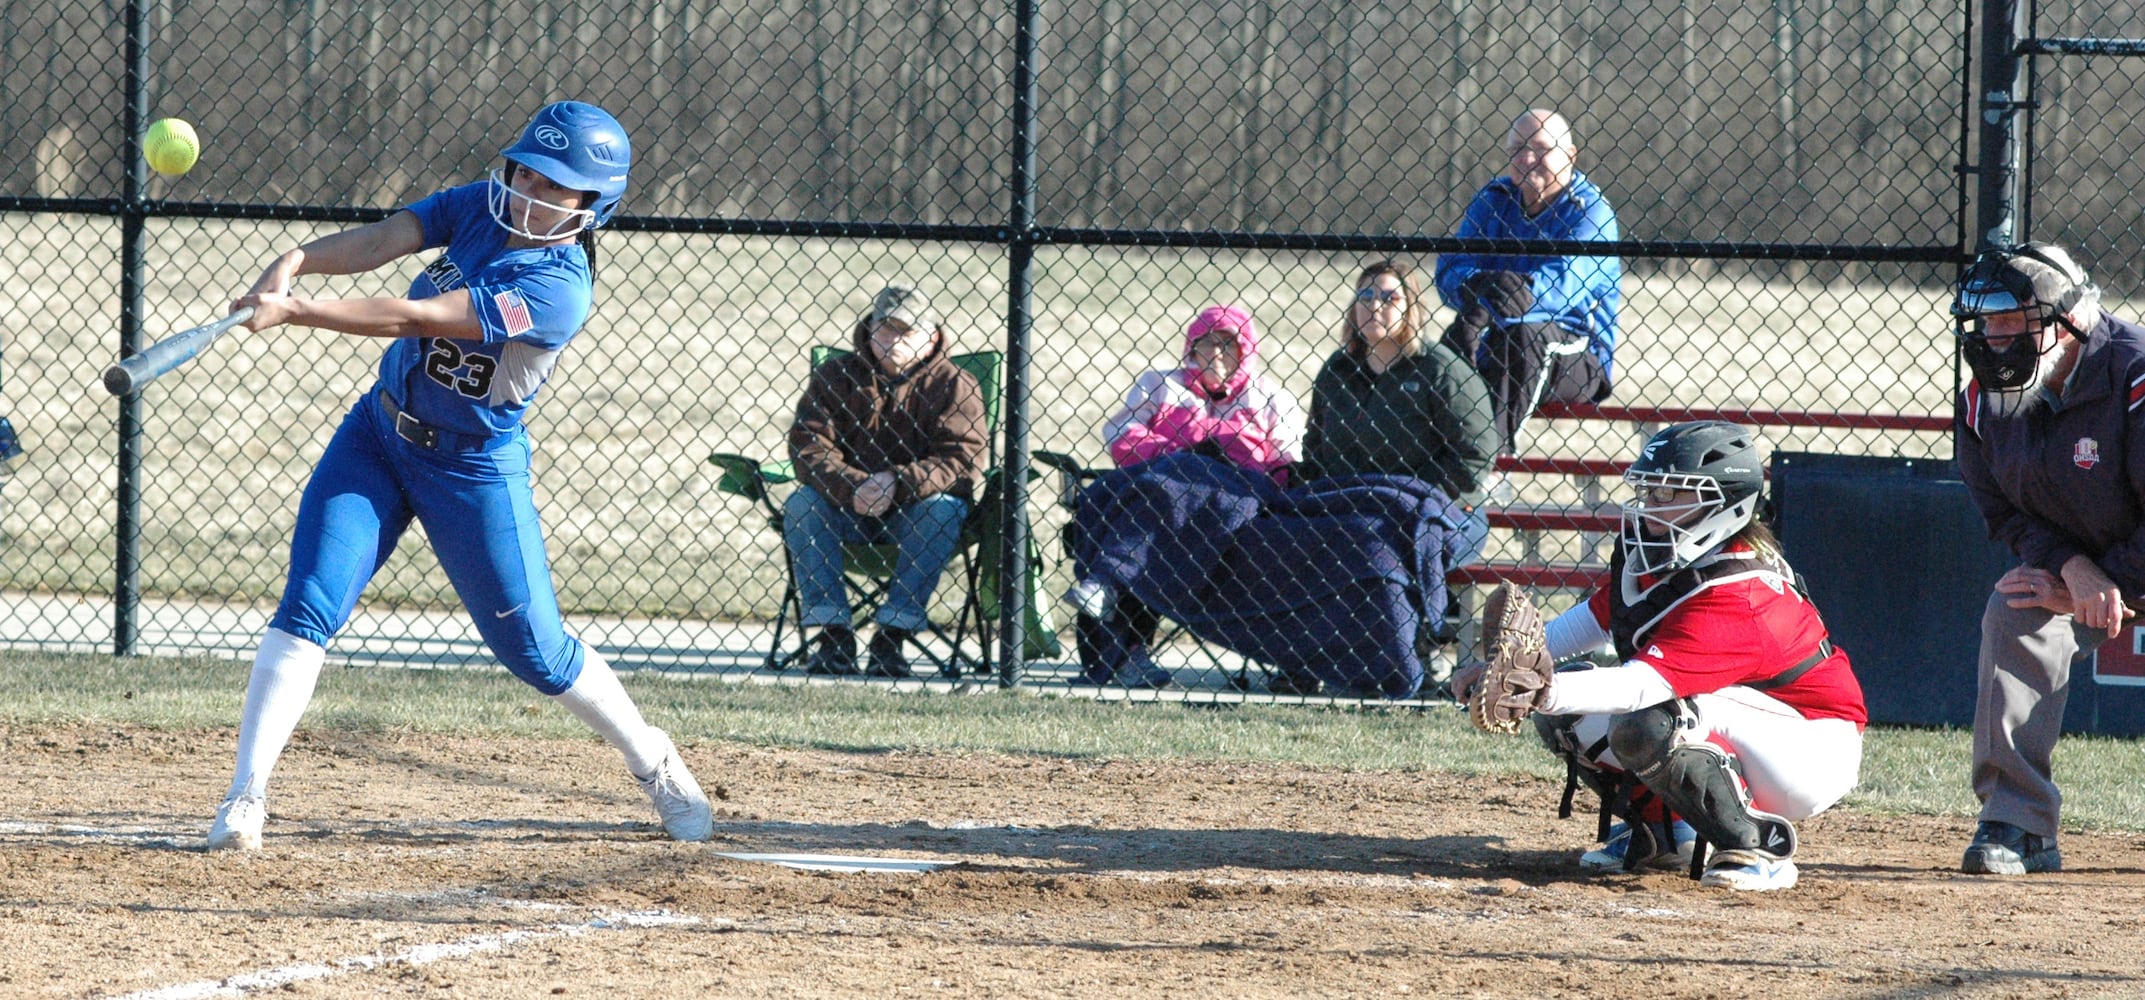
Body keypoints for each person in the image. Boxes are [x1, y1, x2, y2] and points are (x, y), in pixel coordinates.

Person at [207, 101, 714, 850]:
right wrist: (300, 261)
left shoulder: (556, 286)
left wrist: (298, 311)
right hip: (378, 437)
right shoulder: (480, 206)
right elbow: (388, 238)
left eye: (556, 187)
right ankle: (245, 795)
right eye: (525, 173)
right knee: (309, 603)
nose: (531, 193)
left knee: (537, 654)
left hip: (471, 468)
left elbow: (416, 316)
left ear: (593, 206)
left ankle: (651, 757)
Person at [1454, 421, 1866, 891]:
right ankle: (1669, 836)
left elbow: (1641, 685)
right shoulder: (1669, 551)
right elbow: (1596, 618)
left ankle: (1758, 847)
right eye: (1651, 490)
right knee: (1573, 711)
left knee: (1646, 717)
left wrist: (1542, 688)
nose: (1652, 505)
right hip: (1743, 722)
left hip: (1809, 748)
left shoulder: (1743, 592)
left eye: (1672, 493)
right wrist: (1506, 668)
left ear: (1722, 502)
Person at [1951, 241, 2145, 875]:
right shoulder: (1983, 403)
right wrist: (2067, 568)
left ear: (2069, 323)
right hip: (2087, 571)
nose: (1996, 339)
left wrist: (2110, 579)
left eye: (2014, 321)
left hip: (2130, 564)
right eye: (1988, 323)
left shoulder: (2136, 376)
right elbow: (2007, 515)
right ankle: (2019, 821)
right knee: (2017, 606)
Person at [1069, 304, 1306, 689]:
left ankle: (1106, 578)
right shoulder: (1160, 385)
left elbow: (1286, 460)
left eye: (1229, 345)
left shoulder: (1269, 396)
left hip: (1234, 499)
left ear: (1247, 351)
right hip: (1163, 494)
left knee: (1158, 507)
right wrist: (1180, 456)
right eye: (1206, 344)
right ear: (1189, 347)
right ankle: (1128, 654)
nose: (1216, 354)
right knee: (1156, 496)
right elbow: (1120, 434)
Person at [786, 284, 987, 680]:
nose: (892, 340)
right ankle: (833, 635)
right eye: (884, 329)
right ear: (869, 329)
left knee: (945, 509)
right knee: (802, 503)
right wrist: (854, 485)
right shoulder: (836, 376)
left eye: (905, 331)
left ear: (931, 336)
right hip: (846, 509)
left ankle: (892, 635)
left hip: (916, 513)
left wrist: (898, 482)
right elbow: (809, 447)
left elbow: (962, 460)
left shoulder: (956, 384)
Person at [1434, 109, 1621, 456]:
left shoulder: (1590, 212)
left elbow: (1559, 289)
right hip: (1498, 338)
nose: (1526, 158)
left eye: (1540, 148)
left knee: (1523, 338)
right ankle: (1430, 468)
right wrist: (1478, 286)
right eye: (1517, 149)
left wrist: (1492, 296)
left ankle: (1490, 464)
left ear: (1570, 155)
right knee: (1448, 344)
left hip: (1576, 351)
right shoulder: (1493, 200)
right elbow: (1449, 270)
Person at [1302, 259, 1497, 567]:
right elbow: (1314, 448)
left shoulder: (1441, 370)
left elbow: (1473, 458)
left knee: (1378, 555)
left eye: (1389, 298)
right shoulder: (1337, 371)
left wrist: (1405, 497)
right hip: (1349, 510)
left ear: (1412, 308)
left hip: (1439, 512)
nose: (1374, 306)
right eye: (1364, 297)